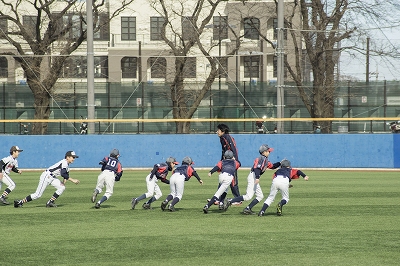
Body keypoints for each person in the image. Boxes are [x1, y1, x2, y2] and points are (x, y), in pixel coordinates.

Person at [225, 144, 281, 214]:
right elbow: (256, 168)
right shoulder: (261, 159)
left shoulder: (265, 160)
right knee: (248, 196)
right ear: (264, 152)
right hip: (253, 177)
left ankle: (248, 208)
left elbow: (273, 166)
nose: (269, 152)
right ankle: (230, 201)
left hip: (254, 177)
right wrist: (257, 178)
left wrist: (280, 163)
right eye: (268, 151)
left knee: (260, 196)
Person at [14, 151, 80, 208]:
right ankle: (20, 202)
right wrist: (73, 180)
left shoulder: (67, 165)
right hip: (46, 176)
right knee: (37, 195)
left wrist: (63, 183)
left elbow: (66, 175)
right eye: (72, 157)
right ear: (67, 157)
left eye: (74, 157)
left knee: (62, 187)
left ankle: (50, 202)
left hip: (53, 177)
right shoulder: (64, 162)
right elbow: (63, 174)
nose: (74, 159)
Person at [215, 123, 240, 204]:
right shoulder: (222, 138)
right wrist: (221, 163)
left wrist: (236, 161)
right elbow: (223, 151)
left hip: (232, 162)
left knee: (233, 182)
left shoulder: (227, 137)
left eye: (218, 130)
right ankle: (219, 199)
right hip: (226, 162)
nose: (217, 132)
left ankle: (238, 199)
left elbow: (234, 149)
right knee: (223, 180)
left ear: (223, 131)